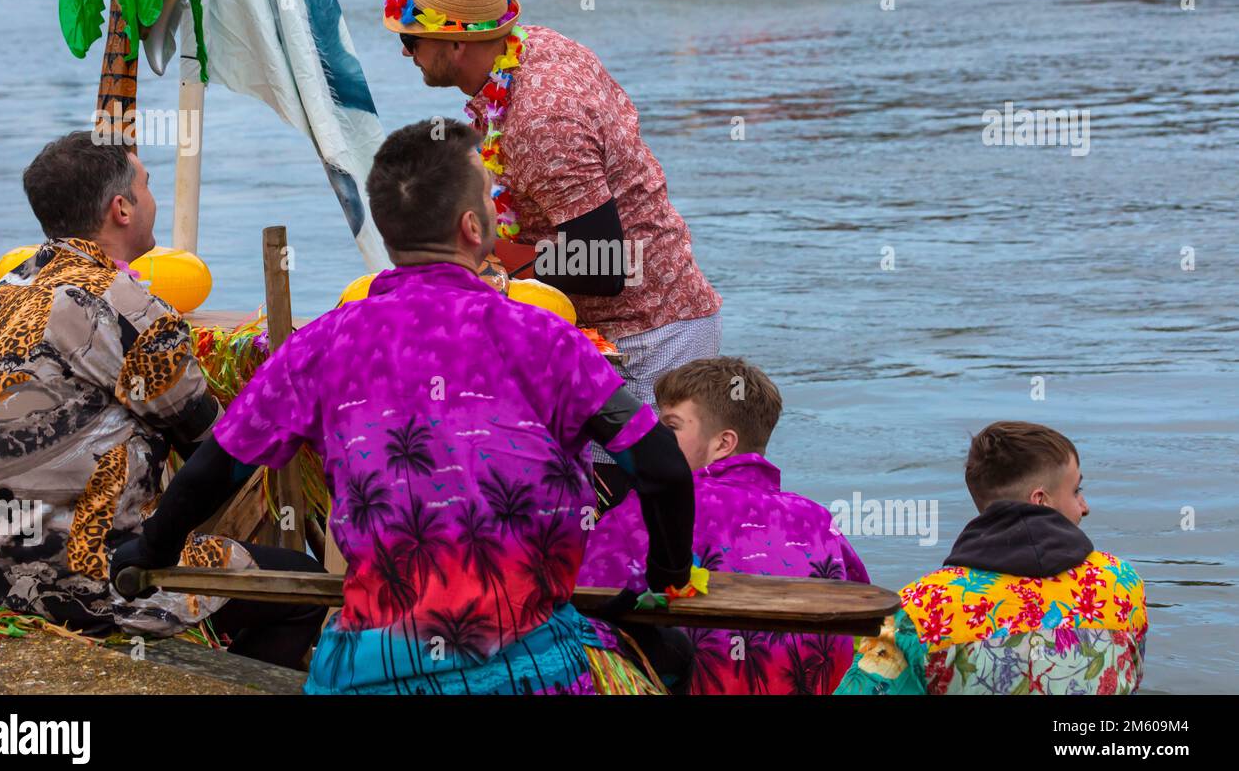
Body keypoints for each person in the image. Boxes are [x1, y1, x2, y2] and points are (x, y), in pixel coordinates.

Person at [112, 119, 701, 695]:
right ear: (474, 227)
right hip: (525, 665)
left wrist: (153, 549)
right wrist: (668, 578)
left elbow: (217, 465)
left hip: (372, 666)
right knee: (668, 654)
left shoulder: (323, 341)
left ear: (392, 234)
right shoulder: (544, 337)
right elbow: (662, 467)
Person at [0, 132, 323, 669]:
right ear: (121, 208)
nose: (153, 199)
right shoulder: (126, 305)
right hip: (81, 582)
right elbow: (216, 450)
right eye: (147, 187)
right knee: (299, 587)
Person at [383, 0, 722, 477]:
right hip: (626, 317)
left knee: (620, 516)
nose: (406, 54)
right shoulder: (533, 47)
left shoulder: (541, 120)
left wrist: (486, 268)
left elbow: (604, 265)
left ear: (456, 41)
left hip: (642, 337)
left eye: (410, 39)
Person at [578, 357, 869, 693]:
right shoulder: (819, 519)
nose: (654, 437)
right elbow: (860, 607)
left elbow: (582, 603)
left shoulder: (651, 508)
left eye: (670, 427)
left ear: (722, 444)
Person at [835, 422, 1148, 695]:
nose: (1084, 506)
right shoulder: (1121, 584)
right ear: (1040, 500)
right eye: (1077, 490)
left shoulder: (917, 610)